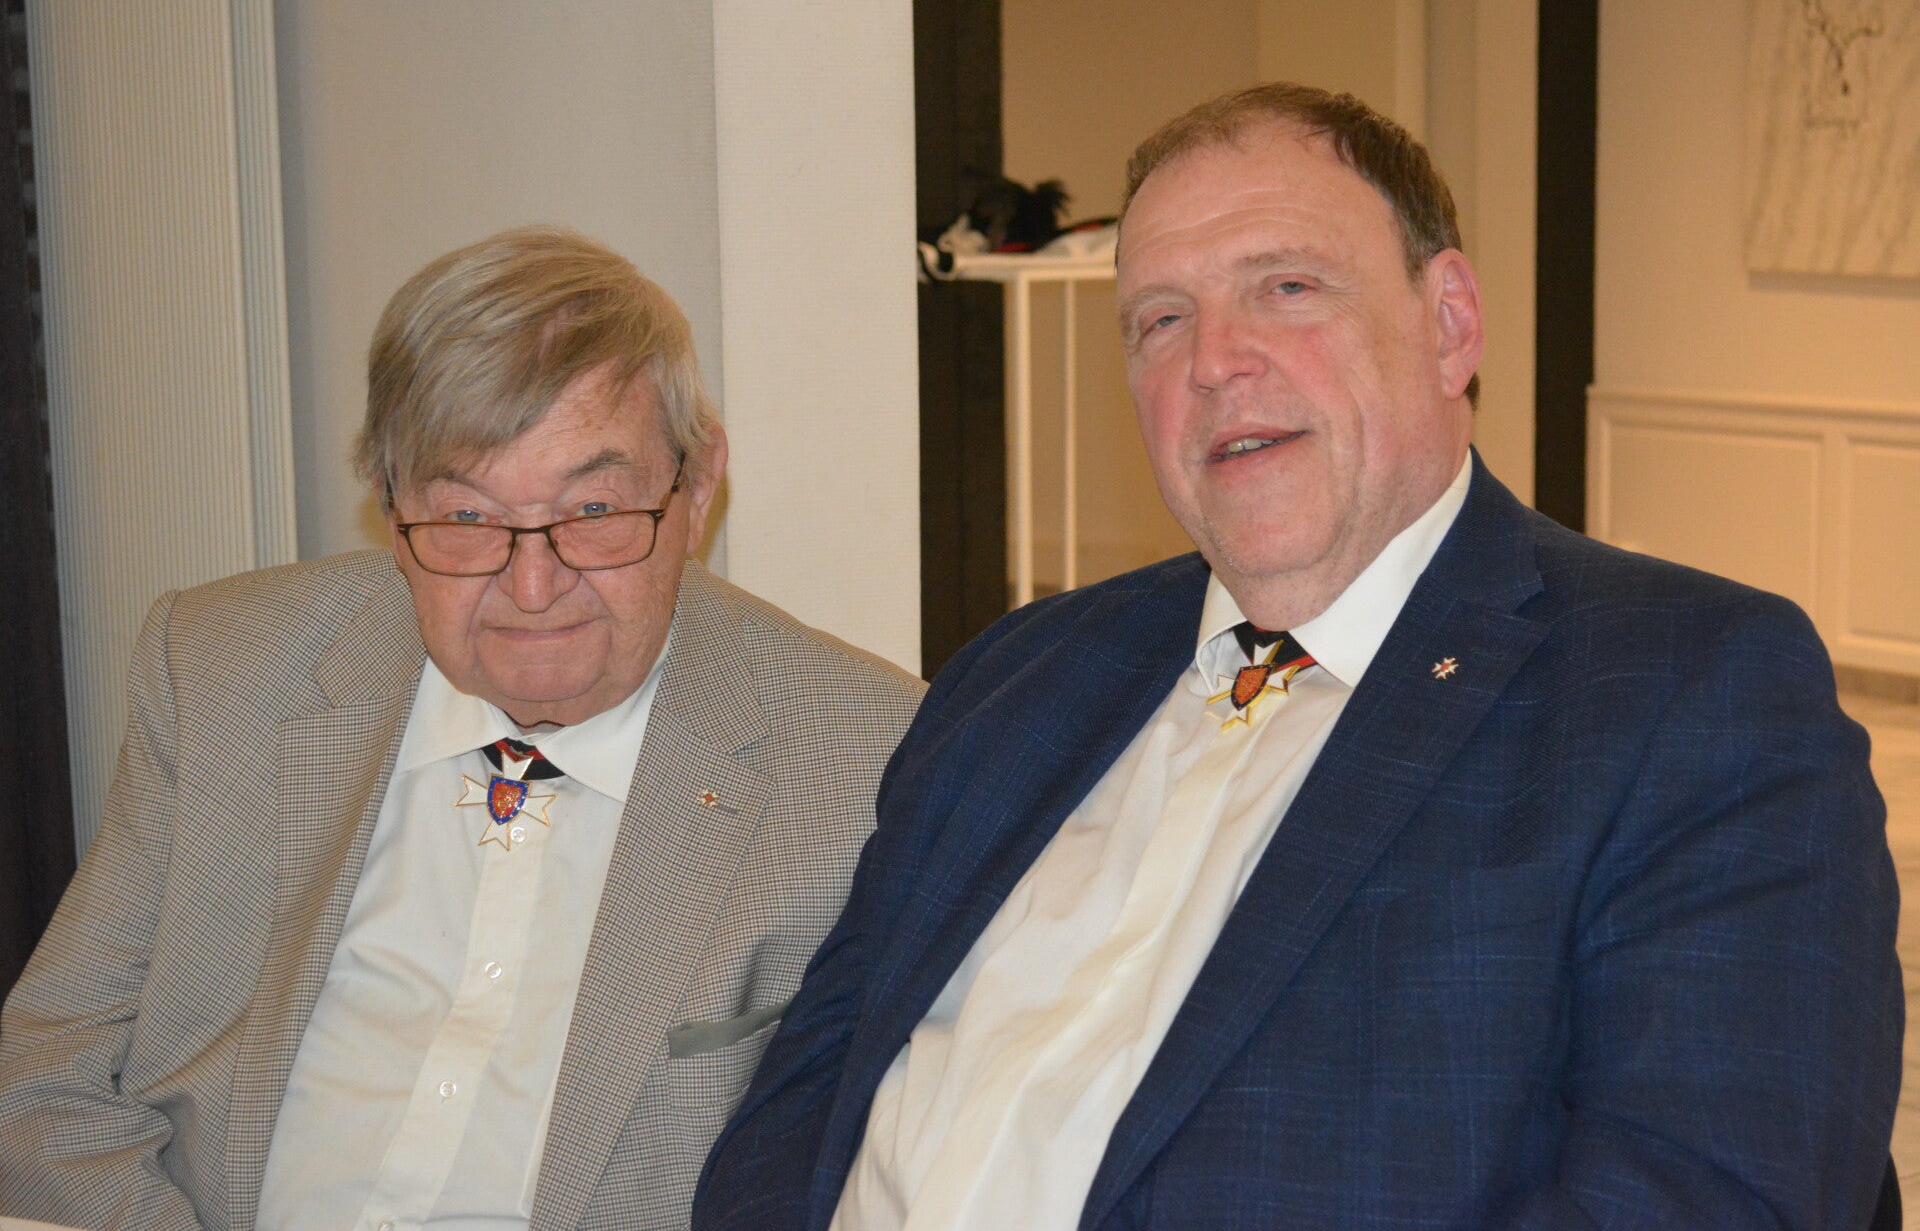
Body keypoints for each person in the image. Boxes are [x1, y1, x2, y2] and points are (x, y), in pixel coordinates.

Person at [694, 85, 1902, 1229]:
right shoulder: (1019, 676)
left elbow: (1706, 1195)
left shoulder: (1684, 693)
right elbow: (800, 1107)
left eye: (1285, 287)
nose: (1213, 360)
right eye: (1161, 320)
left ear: (1450, 324)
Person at [0, 227, 925, 1231]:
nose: (533, 587)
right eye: (468, 520)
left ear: (696, 488)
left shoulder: (869, 759)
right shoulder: (226, 669)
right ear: (390, 507)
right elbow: (46, 1077)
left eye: (594, 509)